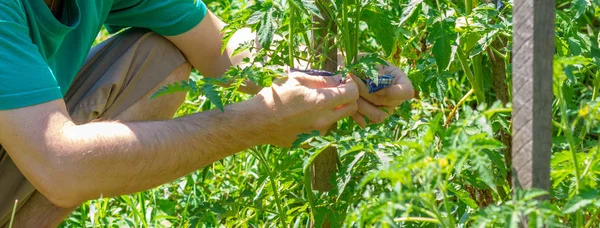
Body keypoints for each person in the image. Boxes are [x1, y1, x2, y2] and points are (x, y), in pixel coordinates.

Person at [0, 0, 414, 226]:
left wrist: (348, 75)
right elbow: (61, 166)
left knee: (158, 55)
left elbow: (220, 48)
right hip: (48, 157)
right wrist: (255, 122)